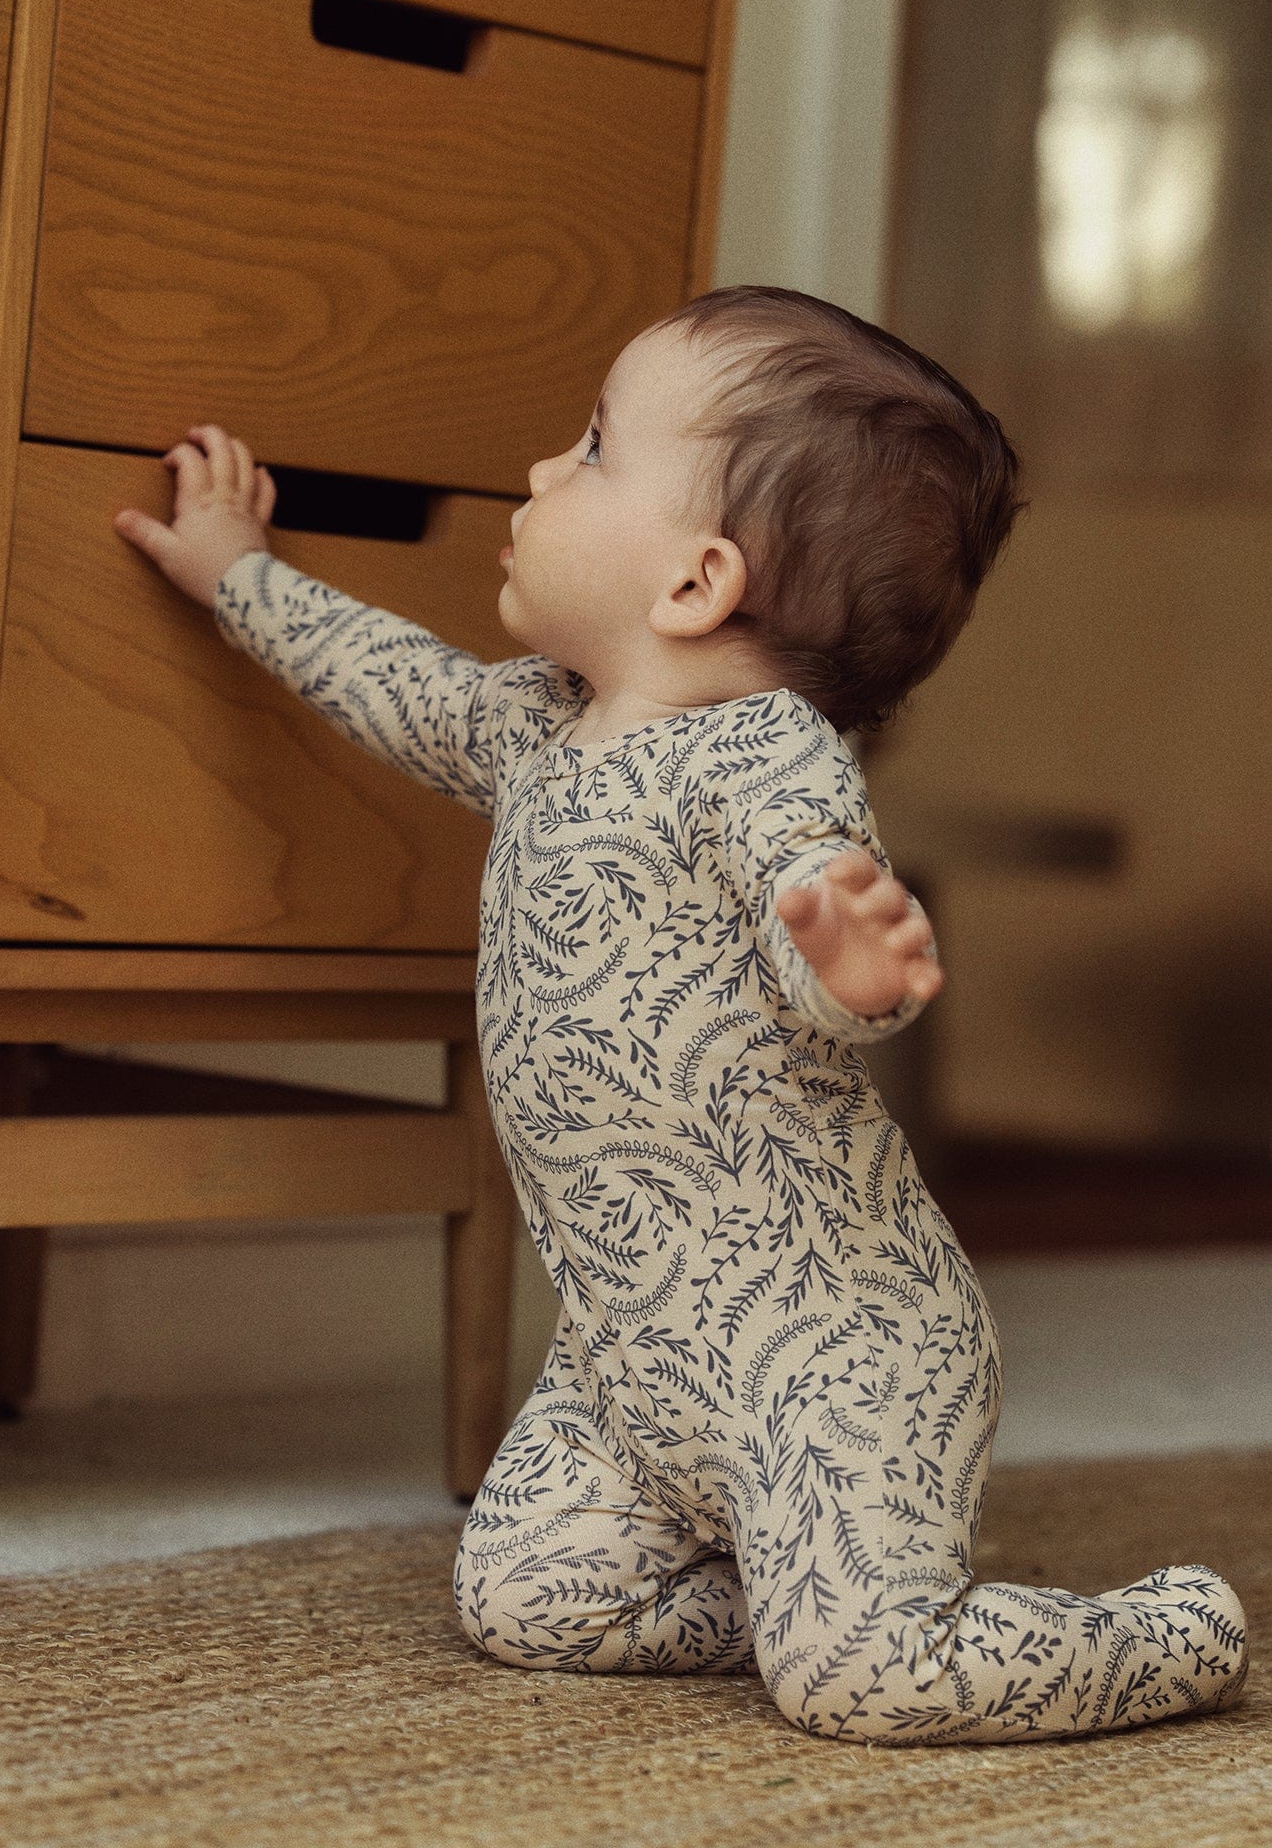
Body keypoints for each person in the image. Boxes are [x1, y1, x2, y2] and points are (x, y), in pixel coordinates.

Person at [114, 285, 1249, 1745]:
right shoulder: (539, 728)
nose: (539, 473)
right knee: (525, 1604)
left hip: (832, 1352)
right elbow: (391, 685)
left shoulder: (761, 755)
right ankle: (810, 1591)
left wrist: (843, 971)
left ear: (697, 583)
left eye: (590, 447)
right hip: (630, 1364)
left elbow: (805, 897)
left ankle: (1161, 1633)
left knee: (865, 1690)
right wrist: (236, 576)